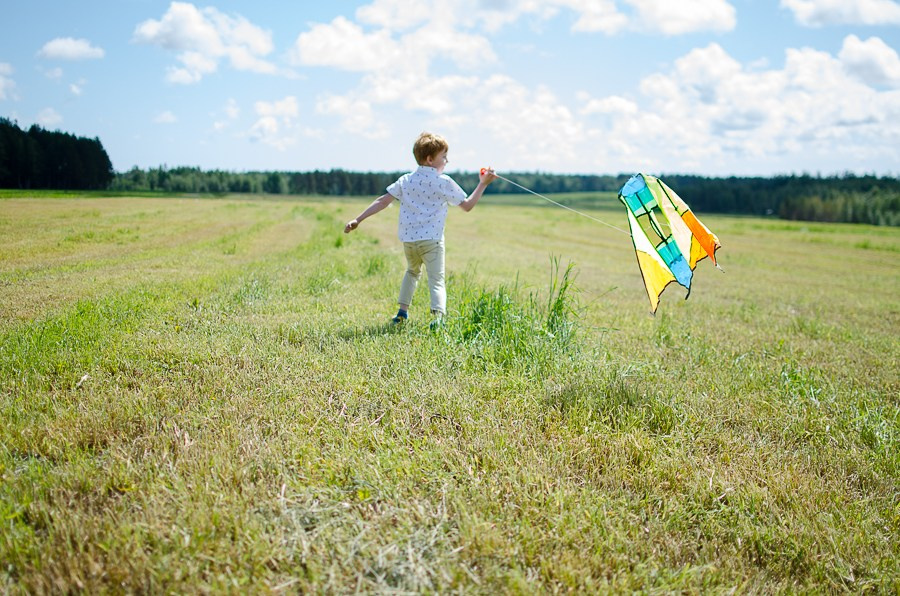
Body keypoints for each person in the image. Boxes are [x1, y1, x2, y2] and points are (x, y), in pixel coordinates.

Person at [344, 132, 497, 328]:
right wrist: (483, 184)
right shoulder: (444, 181)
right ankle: (438, 319)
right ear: (430, 159)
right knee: (437, 279)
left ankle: (401, 313)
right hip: (432, 241)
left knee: (411, 272)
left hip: (409, 241)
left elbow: (383, 200)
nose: (447, 160)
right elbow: (467, 205)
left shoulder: (405, 180)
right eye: (444, 156)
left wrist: (358, 219)